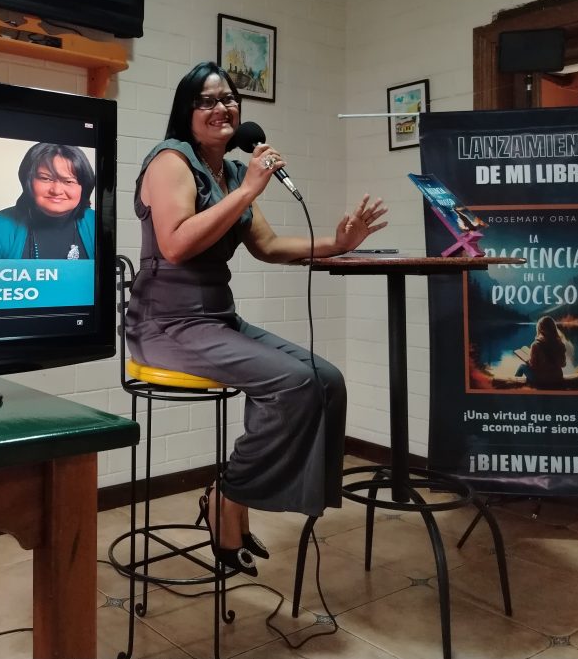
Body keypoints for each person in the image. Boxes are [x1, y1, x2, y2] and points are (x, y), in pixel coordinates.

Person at [125, 61, 388, 576]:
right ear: (186, 110)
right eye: (207, 100)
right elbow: (175, 245)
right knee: (293, 383)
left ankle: (235, 493)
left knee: (326, 380)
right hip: (165, 324)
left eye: (228, 98)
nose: (222, 108)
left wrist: (340, 242)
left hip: (215, 317)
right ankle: (229, 496)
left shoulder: (228, 171)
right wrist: (248, 190)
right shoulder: (170, 161)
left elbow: (267, 245)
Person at [0, 142, 95, 260]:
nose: (56, 190)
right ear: (28, 181)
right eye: (46, 178)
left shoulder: (98, 224)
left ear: (84, 186)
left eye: (69, 181)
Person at [515, 315, 568, 389]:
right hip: (557, 378)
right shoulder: (560, 344)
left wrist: (528, 361)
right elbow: (563, 364)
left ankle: (514, 386)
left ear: (540, 329)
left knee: (522, 366)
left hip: (542, 380)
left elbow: (534, 366)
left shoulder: (536, 345)